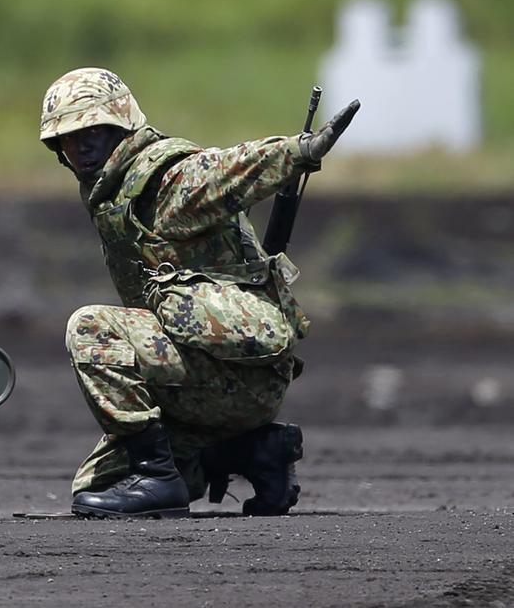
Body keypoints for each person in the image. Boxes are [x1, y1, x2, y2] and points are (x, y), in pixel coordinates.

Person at [39, 67, 359, 518]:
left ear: (122, 126)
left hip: (233, 374)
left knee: (91, 329)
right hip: (211, 372)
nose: (83, 145)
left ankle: (160, 478)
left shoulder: (162, 179)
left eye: (96, 130)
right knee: (99, 485)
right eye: (70, 138)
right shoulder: (111, 194)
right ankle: (255, 452)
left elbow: (225, 171)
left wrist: (298, 151)